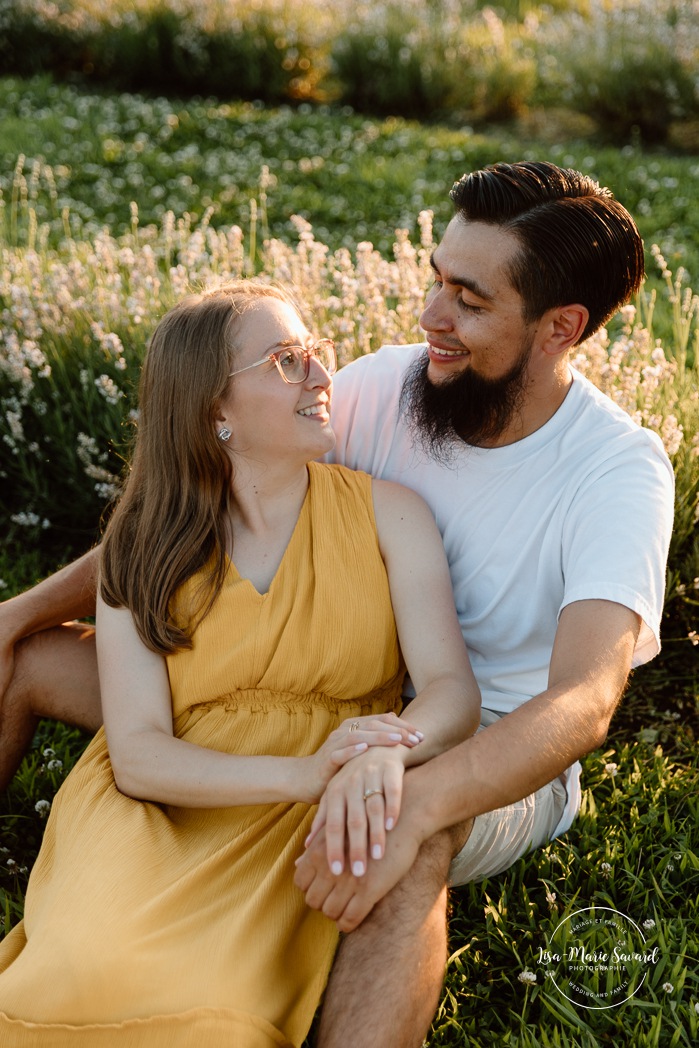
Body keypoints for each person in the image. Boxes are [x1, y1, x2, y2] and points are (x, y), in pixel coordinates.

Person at [0, 161, 676, 1046]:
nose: (431, 317)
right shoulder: (382, 385)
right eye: (436, 280)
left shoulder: (614, 470)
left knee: (398, 836)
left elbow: (583, 702)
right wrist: (18, 613)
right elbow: (199, 498)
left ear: (560, 327)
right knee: (29, 656)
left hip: (480, 739)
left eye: (469, 301)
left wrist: (409, 785)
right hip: (296, 702)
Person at [0, 280, 480, 1046]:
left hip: (309, 825)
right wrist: (304, 773)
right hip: (168, 807)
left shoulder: (389, 513)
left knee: (214, 1013)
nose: (324, 377)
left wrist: (382, 755)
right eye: (287, 361)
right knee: (92, 970)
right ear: (212, 410)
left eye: (315, 353)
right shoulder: (143, 543)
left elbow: (452, 692)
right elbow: (140, 756)